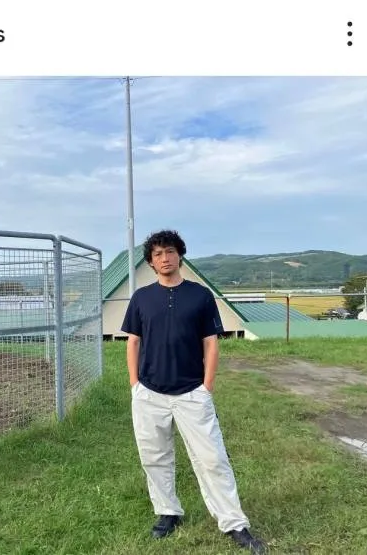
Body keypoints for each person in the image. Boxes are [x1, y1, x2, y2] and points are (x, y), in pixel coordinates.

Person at [121, 229, 267, 554]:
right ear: (151, 262)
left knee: (212, 458)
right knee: (154, 457)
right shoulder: (141, 298)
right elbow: (133, 342)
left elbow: (210, 343)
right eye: (158, 254)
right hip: (149, 393)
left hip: (191, 392)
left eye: (170, 251)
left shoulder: (200, 296)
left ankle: (234, 523)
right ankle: (168, 512)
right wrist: (135, 385)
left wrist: (207, 387)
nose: (165, 258)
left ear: (180, 255)